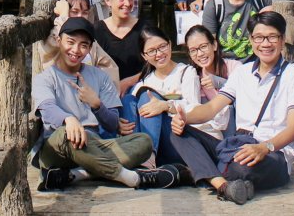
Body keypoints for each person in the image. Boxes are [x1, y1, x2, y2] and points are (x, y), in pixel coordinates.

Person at [32, 16, 184, 191]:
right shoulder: (44, 78)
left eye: (83, 45)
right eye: (70, 42)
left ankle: (77, 174)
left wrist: (97, 105)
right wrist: (69, 120)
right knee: (64, 134)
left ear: (90, 48)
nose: (76, 50)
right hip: (58, 149)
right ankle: (133, 178)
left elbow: (112, 123)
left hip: (94, 145)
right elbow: (48, 109)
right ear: (59, 41)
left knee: (144, 141)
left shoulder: (100, 77)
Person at [176, 11, 294, 205]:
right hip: (237, 146)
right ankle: (224, 186)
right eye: (258, 37)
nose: (265, 44)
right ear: (250, 40)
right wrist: (185, 118)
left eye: (272, 37)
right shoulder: (242, 73)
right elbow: (211, 108)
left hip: (273, 154)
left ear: (283, 40)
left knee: (241, 168)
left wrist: (264, 147)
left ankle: (206, 173)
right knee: (179, 133)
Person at [118, 25, 201, 160]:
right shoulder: (144, 82)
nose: (159, 54)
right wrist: (120, 123)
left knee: (147, 96)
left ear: (169, 44)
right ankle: (134, 155)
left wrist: (165, 105)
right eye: (151, 51)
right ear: (144, 56)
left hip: (178, 138)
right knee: (128, 100)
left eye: (162, 46)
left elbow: (194, 107)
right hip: (150, 141)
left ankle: (148, 158)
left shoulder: (186, 72)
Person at [38, 0, 119, 88]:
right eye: (74, 12)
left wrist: (102, 93)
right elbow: (59, 39)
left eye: (84, 12)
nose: (80, 16)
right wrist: (63, 15)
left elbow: (109, 67)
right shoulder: (53, 36)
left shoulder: (90, 41)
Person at [92, 0, 150, 97]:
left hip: (138, 92)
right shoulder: (96, 31)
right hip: (103, 93)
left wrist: (129, 82)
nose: (127, 3)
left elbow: (154, 65)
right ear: (108, 1)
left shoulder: (145, 29)